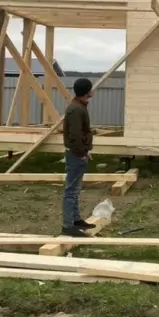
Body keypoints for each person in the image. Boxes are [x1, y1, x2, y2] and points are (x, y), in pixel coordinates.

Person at [62, 77, 94, 237]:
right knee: (71, 190)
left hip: (78, 153)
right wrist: (81, 153)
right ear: (87, 91)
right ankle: (68, 226)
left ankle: (75, 220)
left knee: (75, 189)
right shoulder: (76, 109)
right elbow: (75, 135)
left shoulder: (79, 106)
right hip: (76, 155)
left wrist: (85, 150)